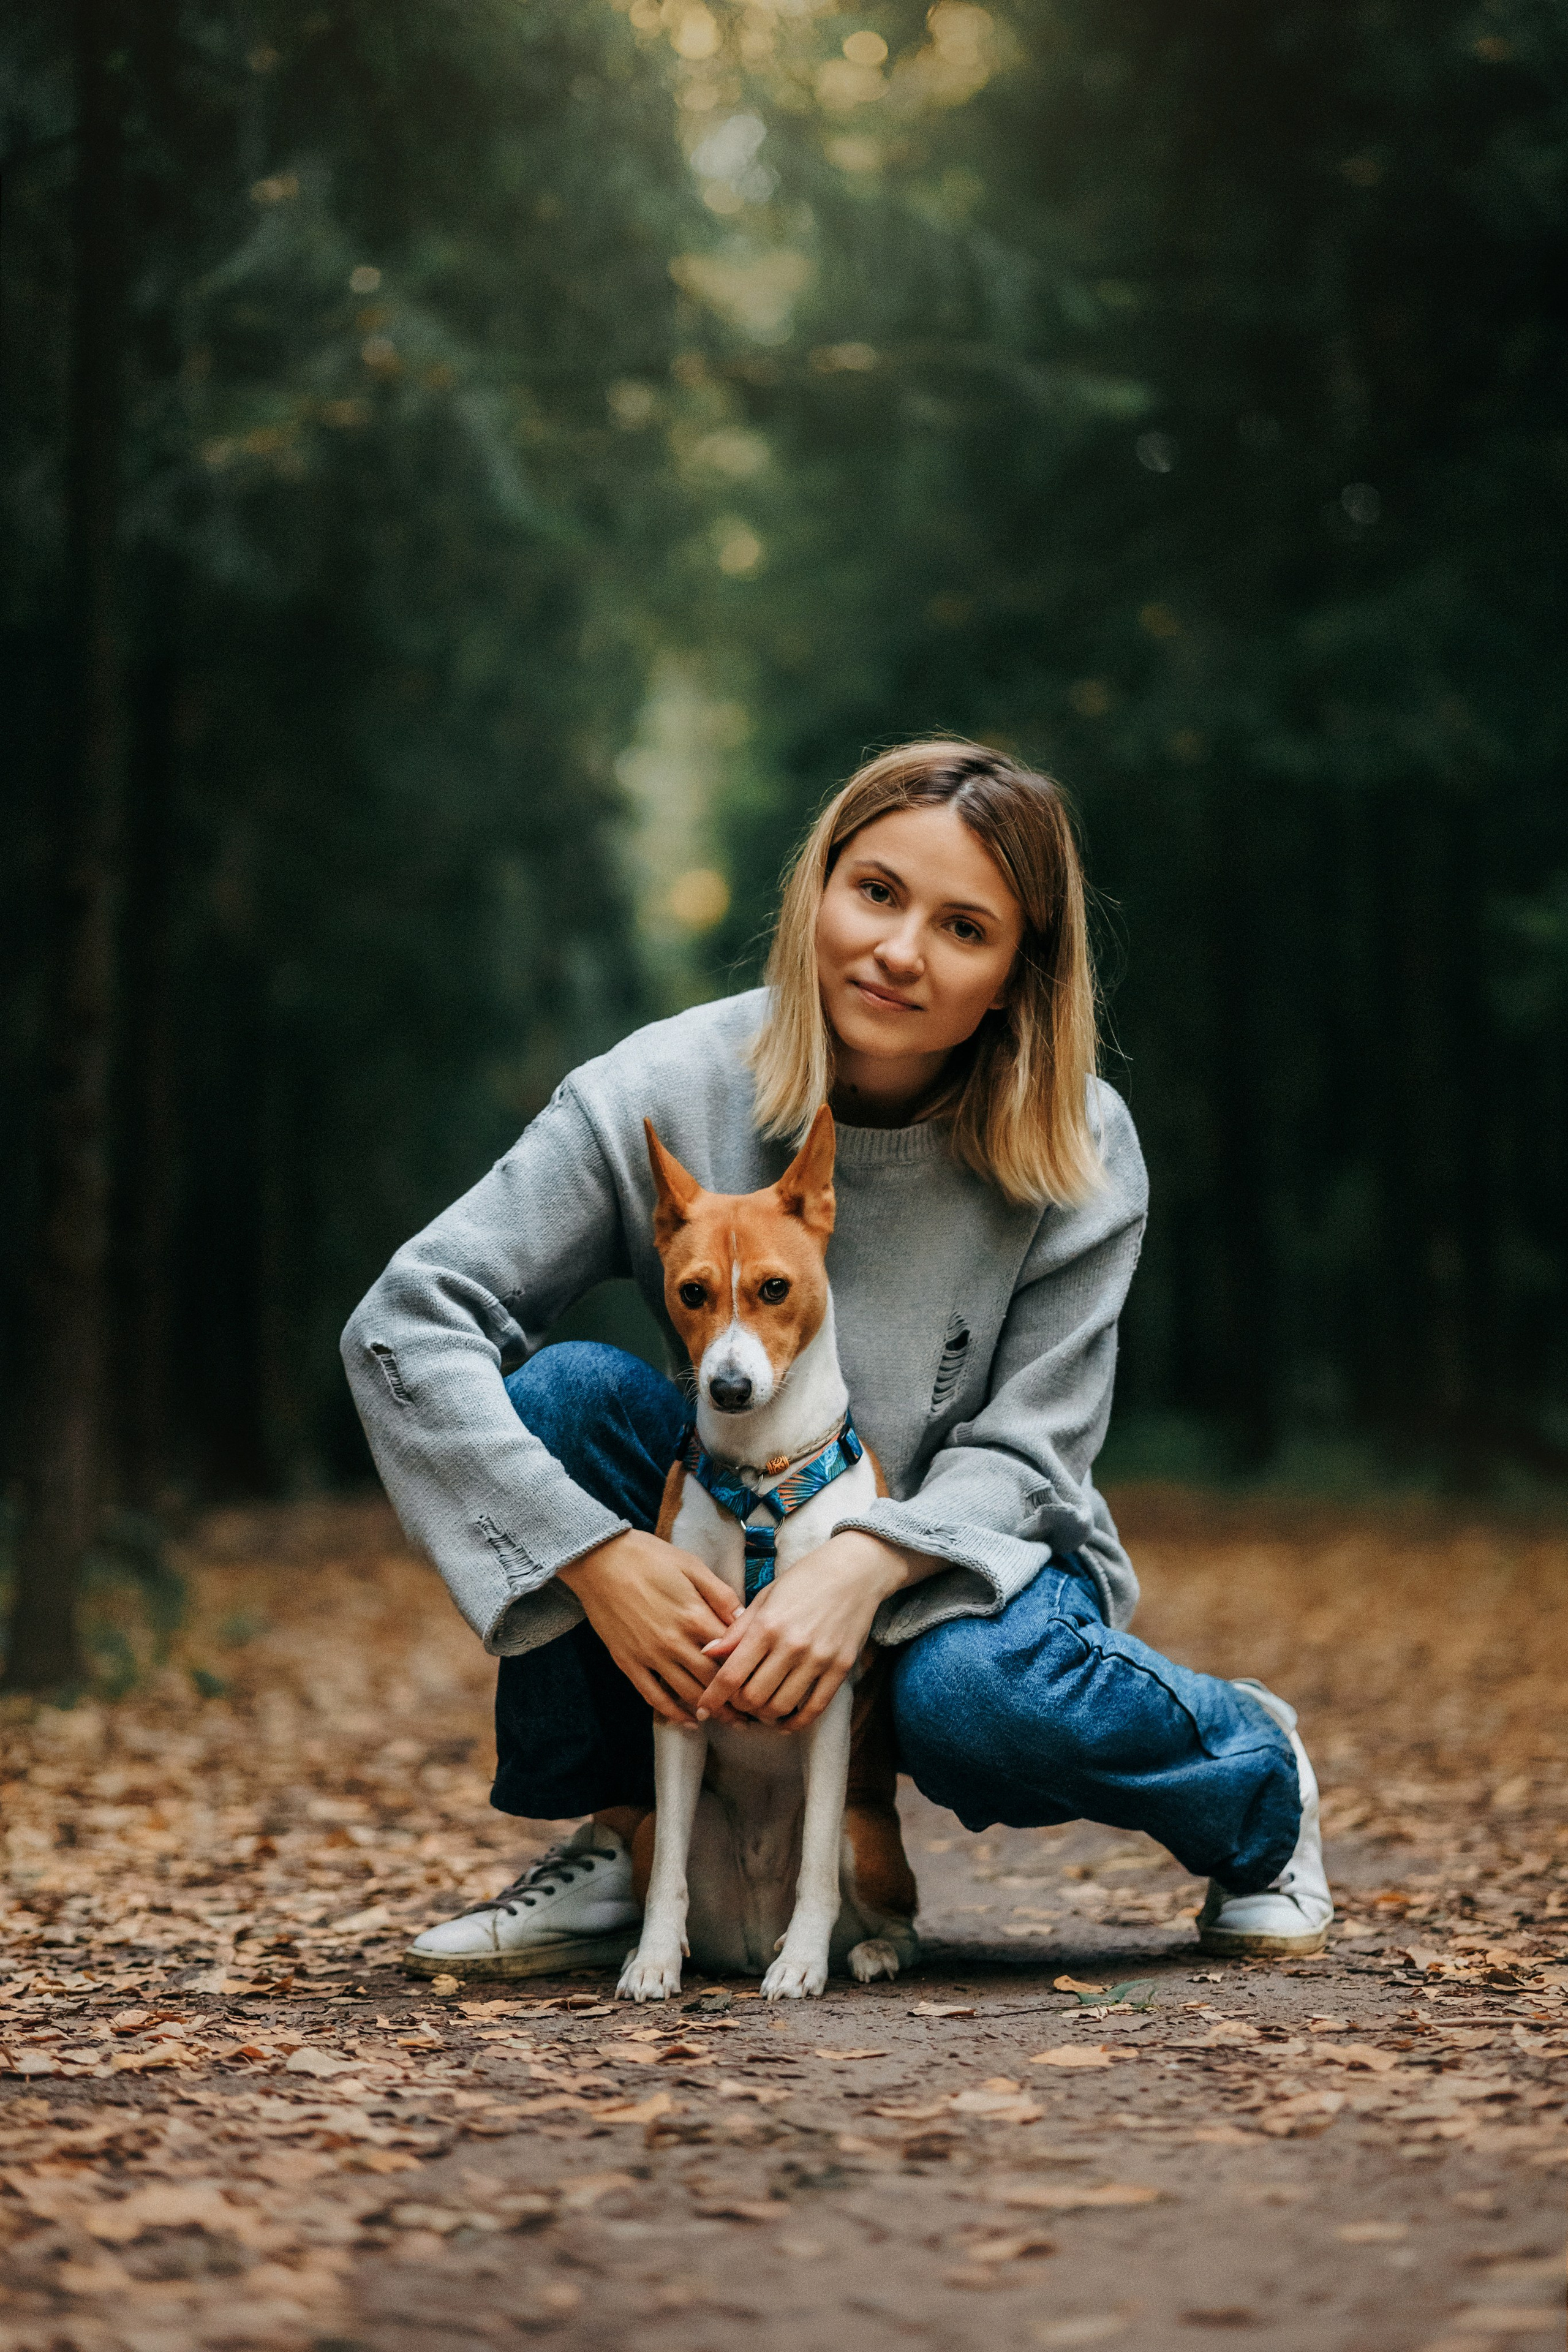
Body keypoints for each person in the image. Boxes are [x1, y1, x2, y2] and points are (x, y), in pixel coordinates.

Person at [342, 741, 1332, 1976]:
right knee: (563, 1400)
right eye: (874, 892)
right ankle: (629, 1837)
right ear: (818, 886)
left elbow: (1034, 1446)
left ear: (1018, 974)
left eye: (962, 927)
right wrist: (591, 1554)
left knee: (972, 1698)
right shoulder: (658, 1085)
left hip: (956, 1560)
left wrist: (866, 1563)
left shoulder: (1076, 1142)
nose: (898, 951)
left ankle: (1250, 1776)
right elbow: (406, 1323)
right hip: (725, 1510)